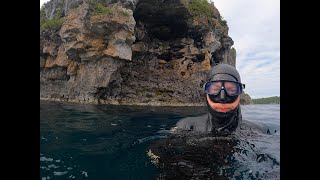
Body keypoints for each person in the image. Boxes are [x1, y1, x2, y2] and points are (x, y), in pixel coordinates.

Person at [174, 63, 245, 134]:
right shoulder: (186, 126)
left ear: (240, 94)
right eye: (215, 89)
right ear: (206, 93)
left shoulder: (254, 132)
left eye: (232, 90)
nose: (222, 98)